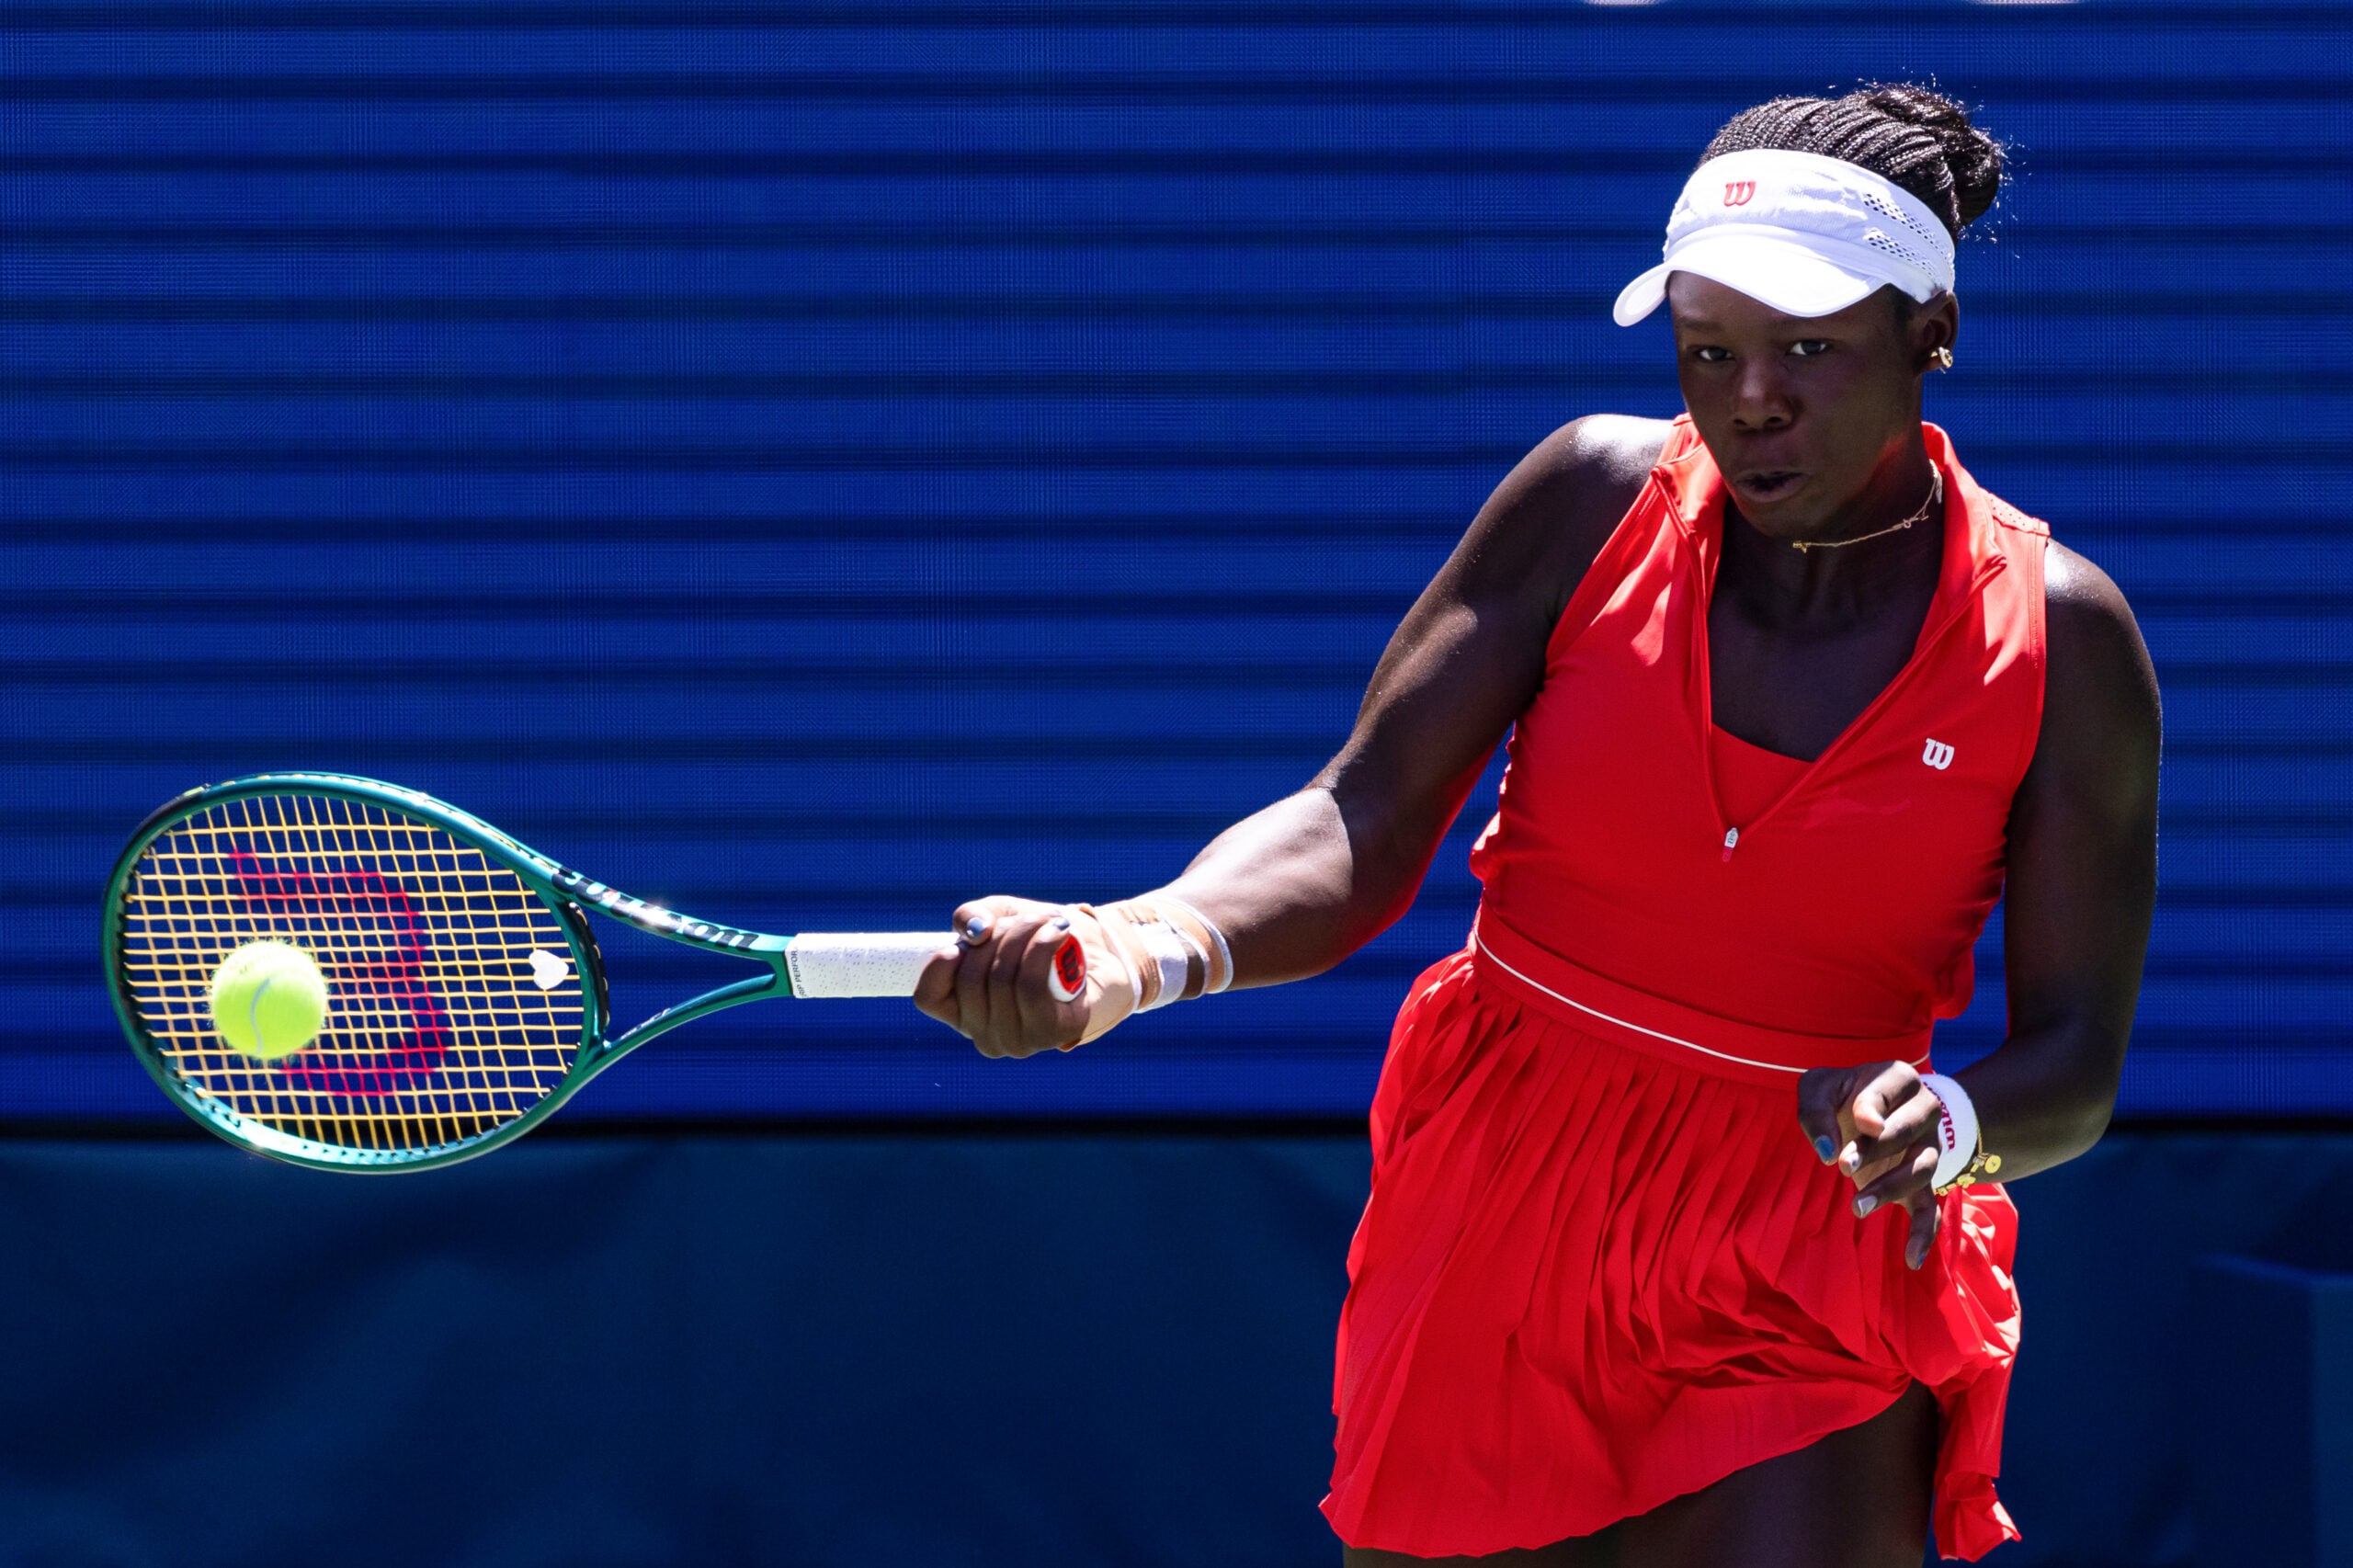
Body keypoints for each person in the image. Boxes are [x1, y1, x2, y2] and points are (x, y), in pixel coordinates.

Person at [914, 84, 2159, 1567]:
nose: (1749, 397)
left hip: (1806, 1232)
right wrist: (1141, 943)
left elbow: (2076, 1062)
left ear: (1929, 335)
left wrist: (1948, 1124)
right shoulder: (1586, 497)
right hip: (1501, 1197)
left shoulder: (2062, 639)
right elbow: (1360, 818)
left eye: (1807, 349)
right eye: (1709, 351)